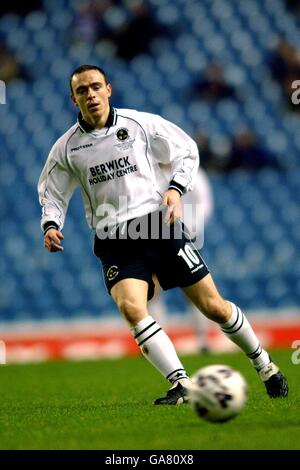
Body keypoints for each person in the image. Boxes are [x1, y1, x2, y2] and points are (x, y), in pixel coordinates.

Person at [38, 64, 288, 404]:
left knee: (213, 306)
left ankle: (264, 364)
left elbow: (186, 150)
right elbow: (52, 192)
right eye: (82, 90)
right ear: (73, 99)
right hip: (114, 241)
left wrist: (175, 189)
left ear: (109, 89)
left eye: (96, 87)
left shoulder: (141, 124)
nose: (91, 94)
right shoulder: (66, 148)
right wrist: (51, 224)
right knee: (131, 307)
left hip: (157, 225)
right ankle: (181, 384)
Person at [148, 166, 214, 353]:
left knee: (193, 287)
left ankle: (202, 340)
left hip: (187, 235)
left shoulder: (193, 173)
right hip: (157, 235)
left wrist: (190, 229)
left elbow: (204, 203)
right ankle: (160, 343)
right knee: (153, 287)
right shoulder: (150, 169)